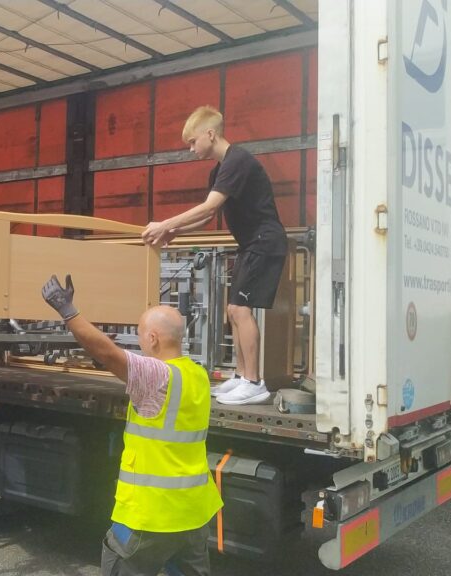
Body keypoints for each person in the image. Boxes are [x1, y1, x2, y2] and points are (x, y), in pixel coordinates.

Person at [41, 274, 222, 576]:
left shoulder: (156, 376)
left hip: (149, 516)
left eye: (140, 335)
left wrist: (67, 311)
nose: (139, 342)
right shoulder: (197, 374)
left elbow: (106, 353)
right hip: (194, 513)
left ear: (153, 338)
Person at [142, 105, 287, 406]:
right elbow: (209, 218)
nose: (191, 148)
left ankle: (254, 383)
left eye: (193, 142)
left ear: (210, 133)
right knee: (234, 310)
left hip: (265, 241)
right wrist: (174, 233)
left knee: (240, 310)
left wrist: (165, 223)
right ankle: (240, 376)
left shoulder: (238, 160)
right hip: (251, 244)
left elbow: (208, 208)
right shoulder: (219, 170)